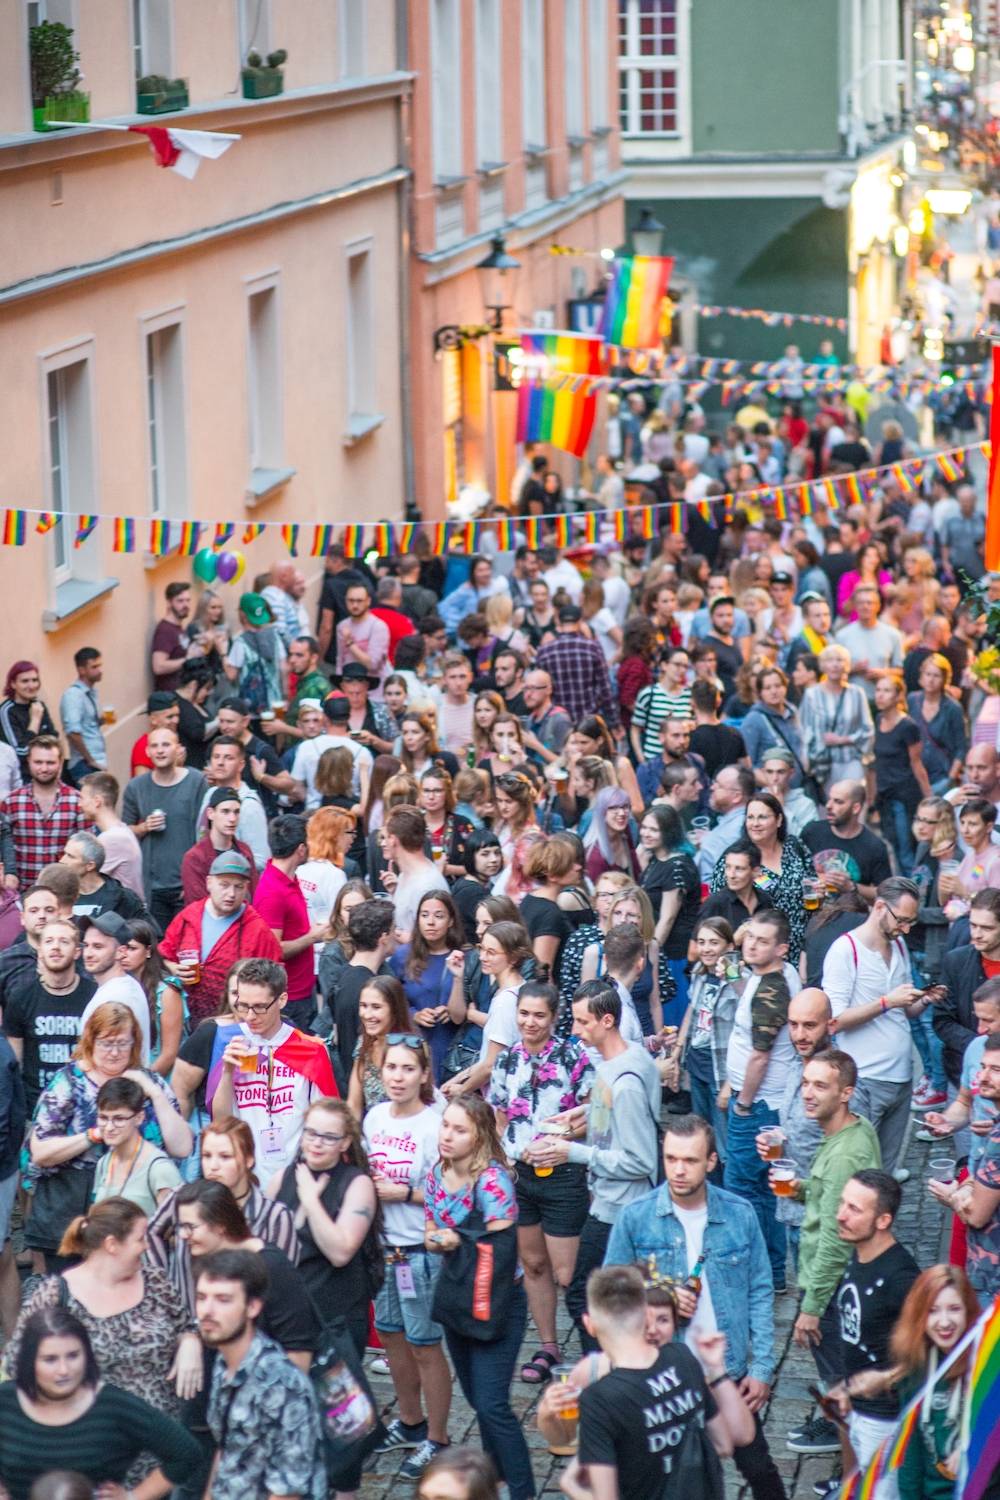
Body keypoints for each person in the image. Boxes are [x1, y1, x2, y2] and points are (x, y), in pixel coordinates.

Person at [604, 1120, 781, 1500]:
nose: (679, 1170)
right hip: (660, 1374)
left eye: (690, 1160)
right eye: (670, 1159)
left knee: (759, 1468)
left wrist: (762, 1367)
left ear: (711, 1161)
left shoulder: (740, 1214)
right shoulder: (636, 1217)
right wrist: (659, 1295)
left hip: (726, 1369)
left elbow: (760, 1290)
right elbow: (610, 1297)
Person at [5, 1196, 201, 1429]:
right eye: (140, 1239)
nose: (147, 1246)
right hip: (92, 1443)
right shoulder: (56, 1295)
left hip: (159, 1440)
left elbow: (185, 1326)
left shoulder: (155, 1281)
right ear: (111, 1245)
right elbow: (16, 1362)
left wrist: (190, 1342)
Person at [423, 1095, 535, 1500]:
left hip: (499, 1302)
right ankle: (496, 1481)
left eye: (459, 1129)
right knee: (476, 1398)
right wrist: (441, 1240)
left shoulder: (492, 1180)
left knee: (492, 1405)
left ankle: (521, 1490)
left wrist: (455, 1240)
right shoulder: (436, 1174)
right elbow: (430, 1232)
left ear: (480, 1136)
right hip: (458, 1298)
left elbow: (502, 1247)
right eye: (445, 1126)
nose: (448, 1136)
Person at [26, 1002, 191, 1268]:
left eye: (122, 1044)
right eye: (106, 1043)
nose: (114, 1052)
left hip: (135, 1203)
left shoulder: (149, 1081)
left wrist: (155, 1093)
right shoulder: (69, 1082)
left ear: (134, 1043)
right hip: (72, 1201)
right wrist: (93, 1135)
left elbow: (182, 1147)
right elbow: (41, 1153)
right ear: (91, 1041)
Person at [487, 981, 593, 1386]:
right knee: (532, 1264)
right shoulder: (507, 1060)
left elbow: (593, 1112)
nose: (530, 1022)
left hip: (563, 1173)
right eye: (524, 1014)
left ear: (553, 1017)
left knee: (568, 1273)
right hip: (520, 1174)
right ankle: (548, 1344)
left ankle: (593, 1350)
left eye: (539, 1015)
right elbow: (498, 1114)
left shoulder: (572, 1056)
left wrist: (566, 1140)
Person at [549, 981, 661, 1351]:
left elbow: (639, 1159)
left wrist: (571, 1152)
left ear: (607, 1020)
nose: (575, 1030)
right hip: (611, 1199)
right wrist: (582, 1112)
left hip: (619, 1206)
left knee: (583, 1296)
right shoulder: (627, 1059)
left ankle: (603, 1370)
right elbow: (614, 1107)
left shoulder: (624, 1080)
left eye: (582, 1022)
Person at [364, 1036, 453, 1479]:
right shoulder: (375, 1117)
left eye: (406, 1069)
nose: (397, 1078)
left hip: (421, 1252)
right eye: (390, 1069)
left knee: (425, 1346)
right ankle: (411, 1421)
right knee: (392, 1340)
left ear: (423, 1075)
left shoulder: (435, 1126)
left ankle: (438, 1437)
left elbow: (451, 1195)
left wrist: (404, 1193)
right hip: (384, 1251)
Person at [783, 1051, 881, 1449]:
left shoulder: (843, 1153)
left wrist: (811, 1307)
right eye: (806, 1082)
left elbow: (835, 1238)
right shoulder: (854, 1132)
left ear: (846, 1093)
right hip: (840, 1278)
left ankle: (843, 1440)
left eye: (820, 1085)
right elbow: (833, 1196)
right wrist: (800, 1188)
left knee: (839, 1366)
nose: (808, 1093)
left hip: (831, 1283)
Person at [0, 1307, 200, 1500]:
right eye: (50, 1359)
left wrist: (135, 1496)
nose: (64, 1370)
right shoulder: (6, 1400)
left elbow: (185, 1454)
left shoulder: (114, 1406)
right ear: (30, 1361)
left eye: (73, 1356)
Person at [197, 1250, 326, 1500]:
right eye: (202, 1298)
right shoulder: (224, 1362)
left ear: (252, 1306)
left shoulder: (281, 1384)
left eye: (223, 1300)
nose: (207, 1311)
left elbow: (287, 1491)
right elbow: (226, 1449)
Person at [821, 877, 927, 1174]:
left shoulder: (901, 946)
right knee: (859, 1172)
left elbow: (905, 1013)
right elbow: (835, 1021)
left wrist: (925, 1000)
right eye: (902, 920)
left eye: (911, 922)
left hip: (902, 1077)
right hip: (865, 1078)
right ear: (880, 907)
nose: (905, 929)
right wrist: (886, 1002)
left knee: (886, 1172)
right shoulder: (846, 950)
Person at [822, 1171, 921, 1484]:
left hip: (886, 1420)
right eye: (842, 1204)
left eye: (854, 1209)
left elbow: (935, 1350)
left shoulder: (900, 1279)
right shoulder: (860, 1254)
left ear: (883, 1220)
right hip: (861, 1411)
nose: (840, 1215)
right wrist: (846, 1389)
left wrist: (885, 1378)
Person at [146, 1116, 299, 1309]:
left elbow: (285, 1284)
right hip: (187, 1323)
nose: (213, 1166)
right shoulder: (182, 1197)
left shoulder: (275, 1216)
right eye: (206, 1156)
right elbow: (152, 1232)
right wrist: (164, 1290)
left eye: (225, 1157)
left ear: (249, 1159)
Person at [724, 908, 801, 1289]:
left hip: (758, 1106)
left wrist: (742, 1103)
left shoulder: (774, 987)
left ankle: (759, 1273)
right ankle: (772, 1272)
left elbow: (760, 1054)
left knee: (745, 1187)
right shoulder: (769, 975)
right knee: (768, 1188)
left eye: (762, 941)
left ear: (782, 949)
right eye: (750, 937)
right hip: (766, 1102)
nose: (751, 944)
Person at [204, 957, 337, 1175]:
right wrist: (227, 1072)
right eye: (243, 1005)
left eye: (259, 1007)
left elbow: (326, 1119)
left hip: (296, 1170)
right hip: (245, 1172)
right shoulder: (230, 1041)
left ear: (282, 1000)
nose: (249, 1016)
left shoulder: (310, 1049)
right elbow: (221, 1120)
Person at [159, 851, 282, 1024]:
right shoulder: (188, 917)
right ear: (209, 883)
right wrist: (172, 967)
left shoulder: (257, 929)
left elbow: (274, 980)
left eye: (238, 887)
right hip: (184, 1017)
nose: (231, 894)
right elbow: (161, 957)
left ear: (246, 888)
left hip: (233, 1021)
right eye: (224, 885)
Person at [2, 915, 96, 1114]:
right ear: (40, 952)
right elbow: (14, 1064)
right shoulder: (21, 998)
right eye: (49, 941)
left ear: (77, 951)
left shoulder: (95, 996)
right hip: (35, 1108)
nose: (56, 947)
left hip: (83, 1105)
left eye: (64, 941)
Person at [711, 793, 812, 964]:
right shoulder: (736, 857)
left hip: (801, 948)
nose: (755, 824)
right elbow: (719, 905)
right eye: (750, 817)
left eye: (762, 817)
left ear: (779, 820)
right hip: (758, 953)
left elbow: (811, 882)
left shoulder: (794, 846)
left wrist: (819, 892)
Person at [122, 727, 206, 930]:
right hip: (153, 888)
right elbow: (124, 833)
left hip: (186, 882)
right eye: (154, 746)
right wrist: (143, 827)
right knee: (158, 948)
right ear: (148, 752)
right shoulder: (136, 787)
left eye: (166, 745)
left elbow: (205, 833)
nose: (160, 750)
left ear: (178, 749)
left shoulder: (196, 781)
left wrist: (195, 879)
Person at [252, 814, 328, 1031]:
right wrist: (312, 937)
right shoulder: (272, 892)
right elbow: (273, 949)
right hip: (291, 998)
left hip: (304, 989)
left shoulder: (289, 879)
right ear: (301, 849)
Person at [390, 889, 464, 1081]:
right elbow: (390, 999)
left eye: (439, 916)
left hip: (452, 1045)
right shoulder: (402, 956)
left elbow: (475, 1003)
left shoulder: (463, 957)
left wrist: (454, 1008)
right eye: (424, 915)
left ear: (451, 921)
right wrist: (414, 1014)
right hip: (413, 1043)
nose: (430, 922)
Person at [2, 737, 87, 889]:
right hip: (23, 893)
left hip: (65, 891)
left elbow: (85, 850)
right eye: (38, 762)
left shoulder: (77, 801)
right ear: (28, 761)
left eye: (50, 762)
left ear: (60, 763)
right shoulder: (11, 802)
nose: (44, 768)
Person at [91, 1076, 182, 1212]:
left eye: (119, 1119)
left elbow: (173, 1227)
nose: (109, 1127)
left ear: (139, 1118)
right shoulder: (104, 1163)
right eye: (103, 1118)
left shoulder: (159, 1168)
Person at [800, 781, 892, 905]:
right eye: (829, 799)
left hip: (851, 918)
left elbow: (885, 894)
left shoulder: (874, 846)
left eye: (838, 802)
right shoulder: (811, 832)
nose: (828, 805)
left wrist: (852, 887)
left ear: (856, 808)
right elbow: (791, 870)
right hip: (811, 913)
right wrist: (818, 878)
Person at [799, 645, 874, 794]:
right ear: (823, 665)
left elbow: (868, 730)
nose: (835, 664)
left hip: (851, 759)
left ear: (846, 665)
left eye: (839, 660)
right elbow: (803, 729)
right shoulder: (811, 695)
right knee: (830, 808)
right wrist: (806, 760)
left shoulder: (857, 693)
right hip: (822, 764)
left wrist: (843, 739)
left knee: (851, 801)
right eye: (830, 660)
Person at [535, 606, 620, 732]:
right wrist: (614, 722)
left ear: (558, 622)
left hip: (557, 720)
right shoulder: (592, 647)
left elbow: (540, 688)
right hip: (588, 720)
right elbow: (604, 688)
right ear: (580, 622)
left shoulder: (545, 651)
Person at [198, 736, 270, 872]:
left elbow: (261, 860)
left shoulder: (249, 805)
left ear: (241, 765)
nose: (220, 763)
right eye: (216, 757)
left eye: (228, 758)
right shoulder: (210, 793)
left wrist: (227, 867)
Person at [381, 804, 449, 942]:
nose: (382, 843)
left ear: (393, 840)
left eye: (385, 837)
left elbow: (434, 940)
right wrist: (395, 892)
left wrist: (396, 934)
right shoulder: (405, 875)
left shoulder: (426, 885)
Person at [180, 785, 257, 904]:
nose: (232, 818)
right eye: (225, 811)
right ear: (210, 813)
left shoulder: (244, 852)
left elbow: (254, 896)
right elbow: (196, 907)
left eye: (236, 812)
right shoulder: (195, 858)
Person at [78, 772, 144, 899]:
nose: (79, 804)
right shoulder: (121, 831)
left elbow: (86, 881)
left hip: (123, 916)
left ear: (97, 801)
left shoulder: (112, 839)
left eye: (82, 798)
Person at [908, 653, 967, 793]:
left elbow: (961, 747)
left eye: (936, 675)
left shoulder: (953, 708)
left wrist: (951, 778)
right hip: (914, 775)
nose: (931, 680)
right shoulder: (912, 700)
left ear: (944, 679)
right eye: (928, 674)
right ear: (921, 676)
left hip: (941, 776)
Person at [696, 764, 757, 880]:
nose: (712, 787)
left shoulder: (732, 832)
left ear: (736, 796)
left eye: (718, 785)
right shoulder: (738, 821)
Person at [0, 661, 59, 779]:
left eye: (34, 680)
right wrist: (35, 722)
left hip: (45, 775)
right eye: (25, 681)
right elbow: (20, 753)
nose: (31, 686)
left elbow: (54, 740)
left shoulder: (39, 705)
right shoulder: (7, 711)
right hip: (19, 778)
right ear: (13, 684)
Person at [59, 648, 106, 779]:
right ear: (82, 670)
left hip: (96, 760)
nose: (100, 670)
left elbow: (87, 724)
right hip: (83, 764)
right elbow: (73, 732)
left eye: (100, 666)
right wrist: (90, 760)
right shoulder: (74, 695)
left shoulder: (91, 692)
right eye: (94, 667)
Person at [151, 581, 198, 690]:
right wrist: (188, 659)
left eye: (188, 600)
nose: (185, 605)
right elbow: (158, 666)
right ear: (169, 602)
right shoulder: (165, 630)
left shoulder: (178, 626)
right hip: (171, 696)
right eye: (180, 601)